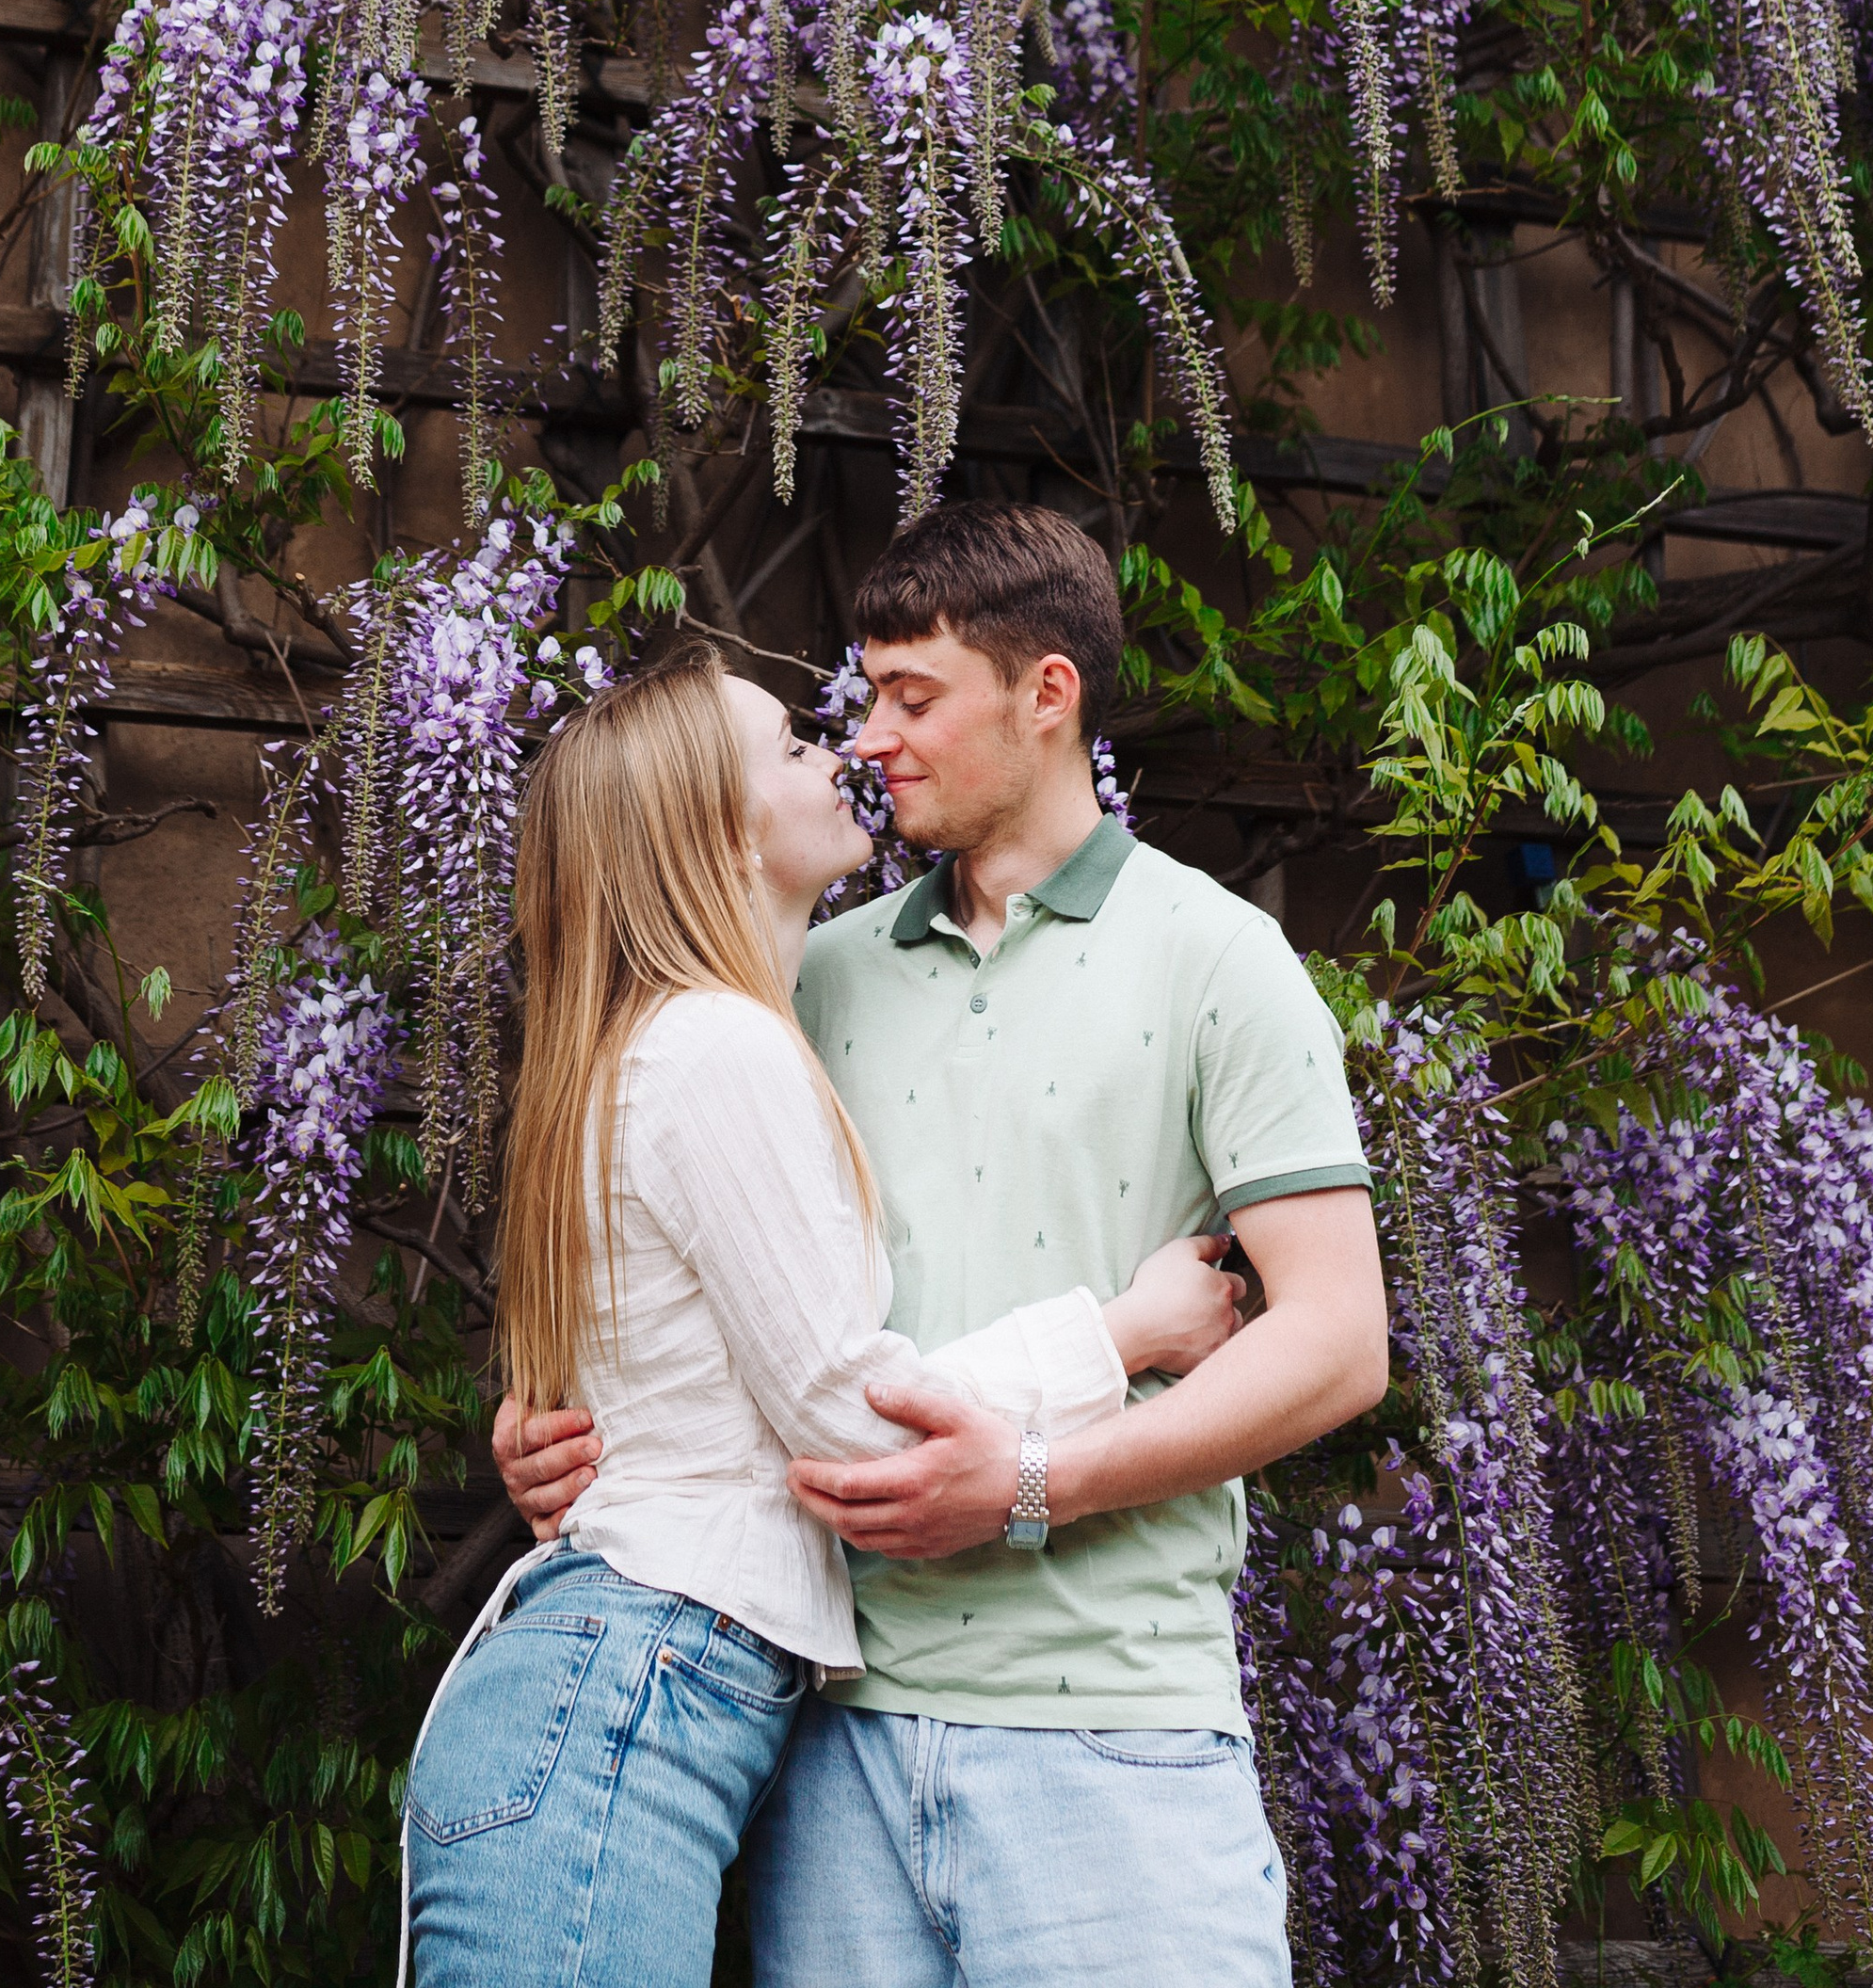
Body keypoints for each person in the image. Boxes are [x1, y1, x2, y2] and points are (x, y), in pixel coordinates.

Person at [496, 503, 1390, 1988]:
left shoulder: (1218, 953)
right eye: (864, 696)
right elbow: (687, 1256)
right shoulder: (804, 978)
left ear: (1049, 696)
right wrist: (564, 1410)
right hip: (831, 1742)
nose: (870, 735)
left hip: (1112, 1731)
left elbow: (1338, 1341)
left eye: (914, 697)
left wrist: (1031, 1482)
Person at [407, 643, 1245, 1988]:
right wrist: (1126, 1332)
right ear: (717, 828)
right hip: (614, 1697)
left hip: (604, 1699)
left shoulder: (684, 1038)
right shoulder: (717, 1047)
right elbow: (854, 1419)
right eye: (795, 744)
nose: (846, 746)